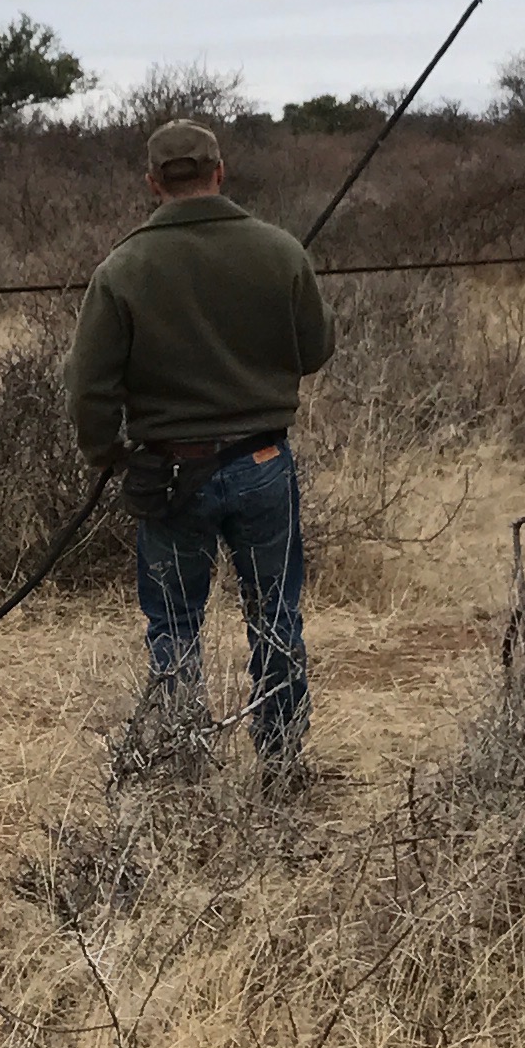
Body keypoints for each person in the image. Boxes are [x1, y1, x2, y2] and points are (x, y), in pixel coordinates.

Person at [67, 117, 336, 781]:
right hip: (263, 464)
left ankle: (181, 766)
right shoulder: (279, 251)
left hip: (169, 475)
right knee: (275, 616)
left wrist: (109, 454)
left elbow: (89, 387)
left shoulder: (122, 268)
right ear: (220, 172)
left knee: (175, 625)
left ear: (153, 182)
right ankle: (282, 762)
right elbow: (315, 350)